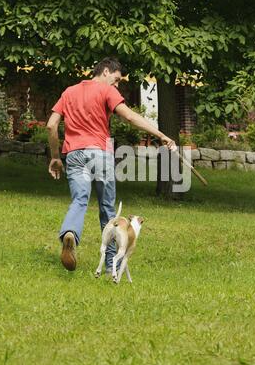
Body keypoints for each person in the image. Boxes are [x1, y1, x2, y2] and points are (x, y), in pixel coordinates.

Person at [46, 57, 175, 273]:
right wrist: (160, 134)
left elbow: (51, 126)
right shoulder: (106, 91)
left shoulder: (69, 91)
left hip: (74, 154)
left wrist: (55, 157)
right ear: (106, 71)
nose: (117, 85)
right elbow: (130, 117)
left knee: (79, 201)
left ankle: (69, 233)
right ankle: (110, 265)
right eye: (116, 80)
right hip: (100, 153)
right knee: (107, 210)